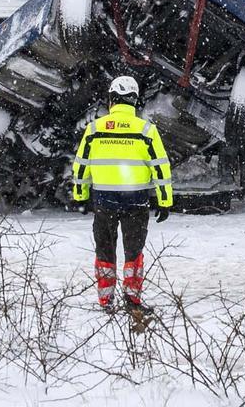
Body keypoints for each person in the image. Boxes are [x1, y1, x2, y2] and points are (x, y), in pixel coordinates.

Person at [72, 75, 173, 313]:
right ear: (134, 101)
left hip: (103, 200)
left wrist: (80, 195)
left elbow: (81, 166)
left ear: (112, 99)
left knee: (105, 249)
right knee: (133, 251)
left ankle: (106, 301)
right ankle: (132, 299)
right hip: (136, 200)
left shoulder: (94, 129)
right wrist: (165, 200)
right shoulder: (147, 130)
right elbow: (160, 167)